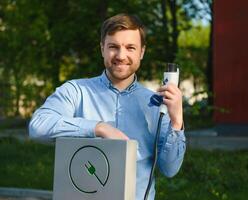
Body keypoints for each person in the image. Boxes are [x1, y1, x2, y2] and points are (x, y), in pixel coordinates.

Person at [29, 13, 186, 200]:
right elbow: (38, 127)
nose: (121, 56)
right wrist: (98, 128)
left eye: (130, 47)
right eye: (113, 47)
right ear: (102, 48)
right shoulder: (75, 91)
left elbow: (170, 169)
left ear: (142, 52)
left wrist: (176, 121)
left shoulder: (158, 105)